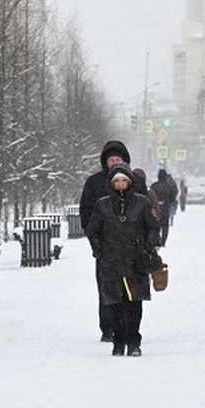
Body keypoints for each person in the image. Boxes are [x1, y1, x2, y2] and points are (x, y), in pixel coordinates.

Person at [86, 163, 161, 357]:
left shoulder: (142, 203)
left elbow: (153, 227)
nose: (120, 184)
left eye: (124, 180)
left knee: (134, 303)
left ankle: (134, 342)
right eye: (116, 181)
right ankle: (118, 342)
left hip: (136, 261)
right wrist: (99, 251)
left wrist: (148, 247)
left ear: (130, 182)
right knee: (115, 304)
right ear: (111, 183)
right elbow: (93, 231)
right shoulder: (102, 205)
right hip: (111, 262)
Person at [78, 140, 146, 342]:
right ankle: (108, 328)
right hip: (107, 248)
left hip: (133, 247)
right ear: (105, 162)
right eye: (111, 159)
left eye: (118, 159)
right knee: (107, 289)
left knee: (133, 291)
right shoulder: (94, 183)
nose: (114, 162)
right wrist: (96, 241)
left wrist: (146, 242)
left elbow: (145, 213)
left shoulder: (136, 183)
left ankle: (130, 329)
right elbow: (86, 213)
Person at [151, 168, 178, 246]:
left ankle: (157, 239)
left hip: (156, 208)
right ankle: (163, 240)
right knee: (165, 225)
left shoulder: (154, 185)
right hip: (165, 207)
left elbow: (150, 196)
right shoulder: (168, 186)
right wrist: (168, 202)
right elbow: (173, 196)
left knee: (156, 224)